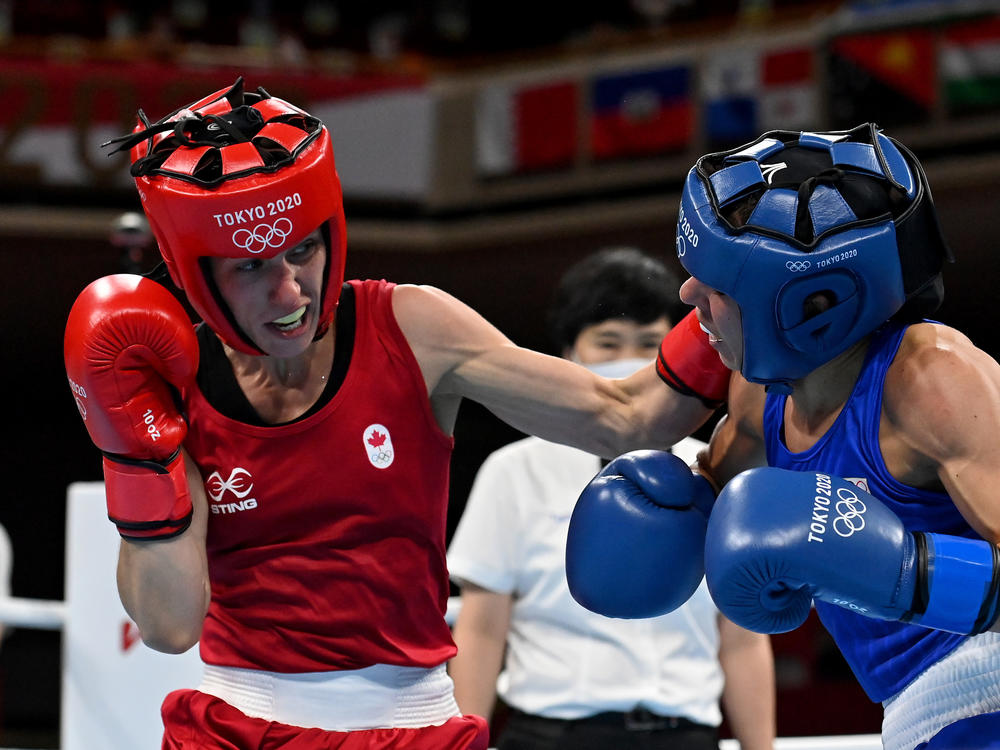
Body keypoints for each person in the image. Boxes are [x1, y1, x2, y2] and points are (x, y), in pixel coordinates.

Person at [62, 78, 731, 749]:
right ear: (196, 272)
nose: (289, 288)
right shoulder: (175, 377)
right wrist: (133, 450)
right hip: (241, 722)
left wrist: (731, 299)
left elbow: (628, 415)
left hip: (411, 723)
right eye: (253, 264)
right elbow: (169, 626)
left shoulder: (411, 329)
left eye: (304, 250)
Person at [566, 123, 1000, 749]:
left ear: (808, 307)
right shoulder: (757, 395)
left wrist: (910, 573)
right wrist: (669, 515)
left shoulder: (937, 382)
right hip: (916, 709)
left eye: (717, 290)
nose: (689, 296)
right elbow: (718, 505)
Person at [447, 247, 776, 750]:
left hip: (686, 736)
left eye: (650, 343)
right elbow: (481, 630)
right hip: (552, 737)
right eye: (608, 342)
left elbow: (742, 636)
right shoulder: (515, 471)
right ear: (568, 355)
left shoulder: (720, 463)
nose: (631, 360)